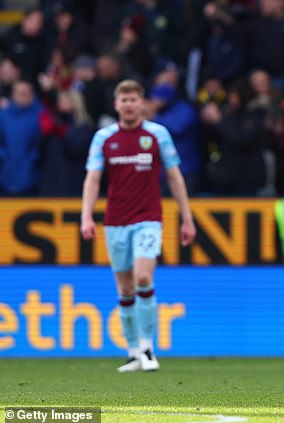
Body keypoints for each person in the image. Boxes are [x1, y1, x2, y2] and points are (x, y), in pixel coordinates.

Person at [80, 79, 196, 372]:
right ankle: (132, 352)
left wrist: (187, 218)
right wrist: (86, 216)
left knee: (143, 278)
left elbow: (174, 176)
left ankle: (147, 347)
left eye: (134, 99)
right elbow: (93, 179)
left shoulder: (157, 135)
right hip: (115, 221)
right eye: (124, 100)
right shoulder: (104, 138)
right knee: (125, 287)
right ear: (117, 105)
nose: (129, 104)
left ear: (141, 103)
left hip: (148, 219)